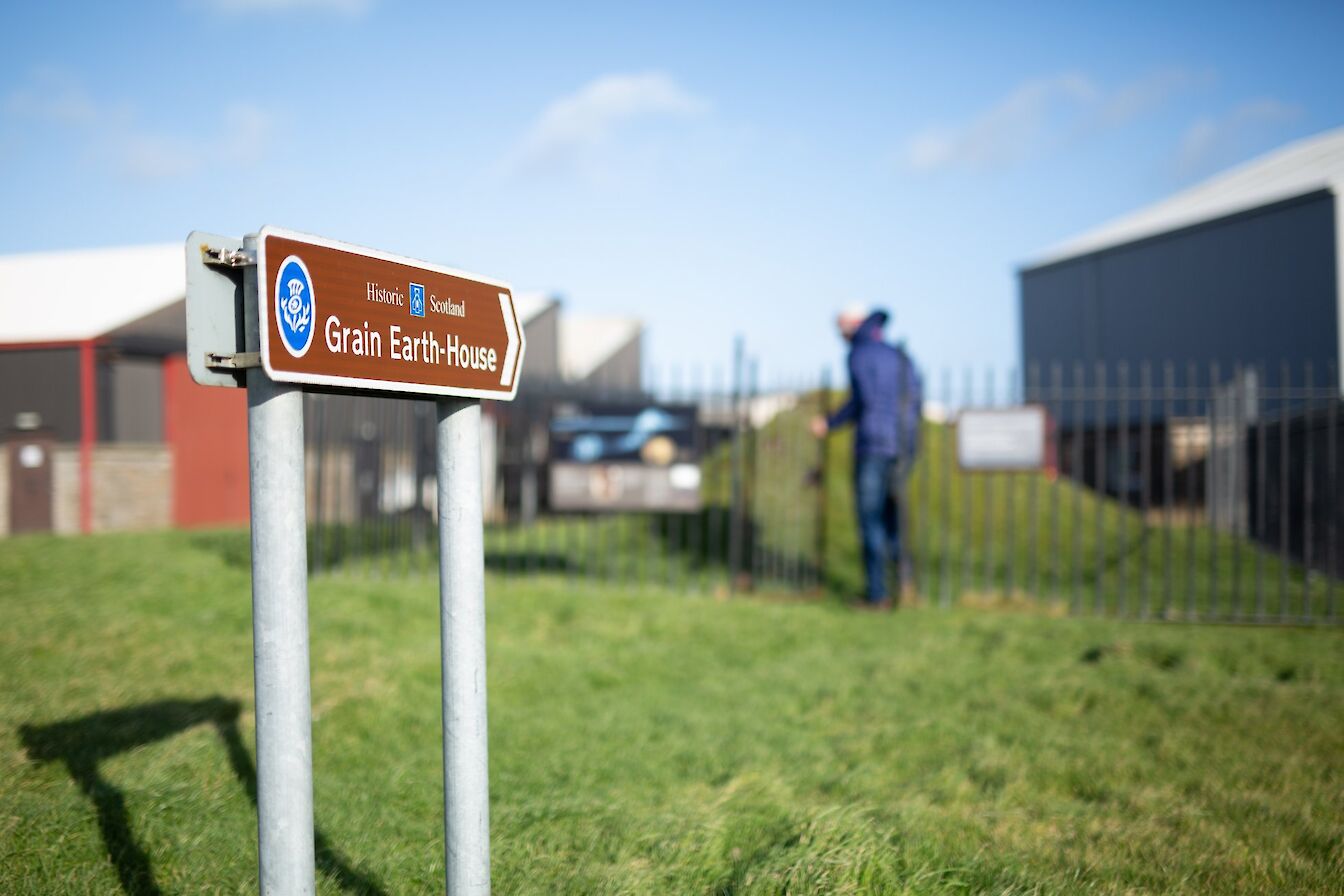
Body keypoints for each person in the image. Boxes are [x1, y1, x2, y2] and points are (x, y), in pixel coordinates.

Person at [811, 304, 922, 609]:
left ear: (853, 324)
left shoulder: (859, 354)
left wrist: (829, 423)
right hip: (904, 445)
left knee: (870, 520)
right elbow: (915, 398)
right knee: (894, 518)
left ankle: (877, 593)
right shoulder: (899, 355)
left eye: (840, 326)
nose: (839, 334)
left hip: (874, 446)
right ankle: (905, 586)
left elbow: (862, 400)